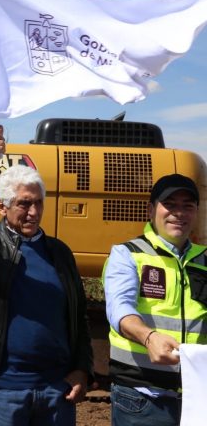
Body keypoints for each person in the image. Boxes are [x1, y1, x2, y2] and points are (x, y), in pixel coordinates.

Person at [0, 124, 93, 425]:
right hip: (1, 392)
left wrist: (82, 368)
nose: (34, 212)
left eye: (38, 203)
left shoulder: (59, 253)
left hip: (55, 392)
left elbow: (78, 316)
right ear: (2, 206)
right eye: (24, 203)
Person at [103, 173, 207, 425]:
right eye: (169, 204)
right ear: (151, 210)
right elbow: (120, 308)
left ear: (196, 213)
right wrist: (149, 337)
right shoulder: (127, 254)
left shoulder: (204, 259)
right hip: (142, 397)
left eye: (187, 206)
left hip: (197, 397)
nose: (178, 213)